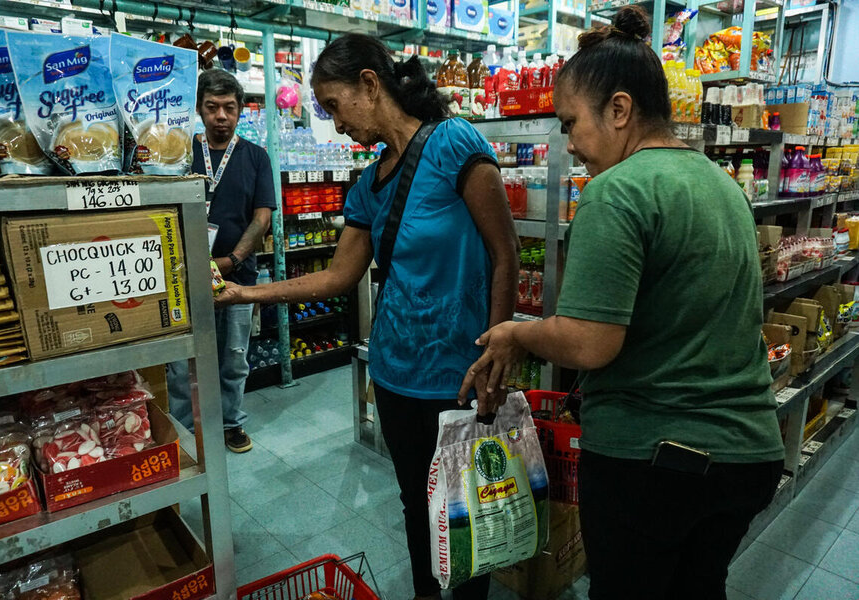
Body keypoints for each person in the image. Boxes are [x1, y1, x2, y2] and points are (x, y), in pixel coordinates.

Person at [459, 7, 785, 600]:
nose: (570, 141)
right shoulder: (722, 185)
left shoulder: (617, 190)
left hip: (656, 461)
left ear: (619, 109)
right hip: (748, 455)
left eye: (571, 122)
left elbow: (590, 342)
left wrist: (514, 333)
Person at [215, 33, 519, 600]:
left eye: (334, 106)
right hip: (395, 370)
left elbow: (505, 254)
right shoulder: (368, 183)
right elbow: (336, 277)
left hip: (460, 368)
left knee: (465, 501)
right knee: (416, 500)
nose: (333, 125)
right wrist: (242, 295)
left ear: (370, 85)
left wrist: (497, 348)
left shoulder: (456, 144)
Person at [167, 69, 275, 453]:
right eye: (212, 107)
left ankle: (231, 423)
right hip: (182, 275)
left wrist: (231, 259)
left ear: (241, 110)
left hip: (237, 276)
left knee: (233, 358)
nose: (221, 116)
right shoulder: (178, 154)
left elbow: (262, 217)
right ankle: (181, 431)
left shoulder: (256, 157)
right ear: (199, 109)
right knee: (182, 365)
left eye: (229, 107)